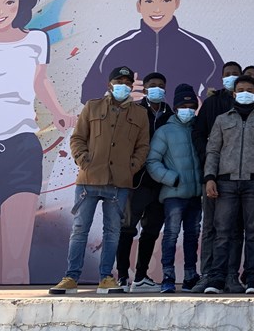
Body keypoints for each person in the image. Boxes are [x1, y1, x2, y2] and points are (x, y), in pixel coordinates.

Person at [0, 0, 77, 284]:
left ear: (21, 3)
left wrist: (58, 112)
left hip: (21, 148)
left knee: (14, 262)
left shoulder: (36, 40)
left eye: (9, 2)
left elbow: (40, 81)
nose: (0, 11)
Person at [50, 66, 150, 295]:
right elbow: (77, 138)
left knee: (112, 231)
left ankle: (106, 277)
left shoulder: (139, 114)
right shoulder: (92, 106)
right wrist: (84, 161)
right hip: (89, 180)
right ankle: (71, 277)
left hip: (119, 183)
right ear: (109, 85)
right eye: (119, 81)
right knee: (80, 229)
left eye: (127, 82)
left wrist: (131, 167)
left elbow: (143, 146)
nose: (123, 85)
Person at [80, 0, 223, 103]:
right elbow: (88, 94)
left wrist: (202, 105)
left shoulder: (199, 46)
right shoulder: (117, 48)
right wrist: (118, 99)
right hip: (131, 122)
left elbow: (222, 89)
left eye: (166, 0)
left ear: (177, 3)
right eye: (149, 1)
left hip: (179, 123)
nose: (157, 9)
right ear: (139, 5)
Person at [203, 75, 254, 294]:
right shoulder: (222, 119)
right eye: (241, 90)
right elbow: (213, 150)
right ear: (234, 93)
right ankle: (217, 279)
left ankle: (253, 280)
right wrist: (210, 177)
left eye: (250, 90)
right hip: (225, 183)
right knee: (223, 232)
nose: (245, 93)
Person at [190, 60, 245, 294]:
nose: (231, 77)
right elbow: (198, 133)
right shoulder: (212, 103)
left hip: (240, 177)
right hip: (213, 175)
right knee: (211, 227)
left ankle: (231, 276)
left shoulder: (250, 103)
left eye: (235, 74)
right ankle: (208, 275)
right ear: (222, 77)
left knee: (235, 228)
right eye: (227, 74)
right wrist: (210, 161)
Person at [117, 71, 173, 292]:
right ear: (145, 88)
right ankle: (122, 276)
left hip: (161, 183)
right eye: (152, 85)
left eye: (161, 85)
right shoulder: (134, 111)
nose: (157, 88)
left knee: (151, 231)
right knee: (127, 229)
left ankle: (141, 277)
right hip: (136, 181)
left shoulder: (171, 114)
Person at [145, 84, 203, 293]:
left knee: (192, 236)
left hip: (196, 195)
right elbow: (152, 161)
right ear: (176, 108)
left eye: (191, 106)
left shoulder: (199, 129)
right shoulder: (165, 131)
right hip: (174, 195)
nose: (188, 110)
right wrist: (172, 178)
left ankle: (190, 276)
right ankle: (168, 277)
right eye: (183, 106)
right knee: (171, 235)